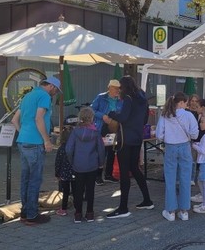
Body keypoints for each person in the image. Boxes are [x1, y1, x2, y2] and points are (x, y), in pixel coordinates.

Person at [11, 76, 60, 225]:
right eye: (56, 90)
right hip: (35, 142)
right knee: (35, 180)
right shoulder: (44, 96)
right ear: (51, 86)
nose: (56, 93)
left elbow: (14, 120)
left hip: (23, 141)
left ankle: (25, 212)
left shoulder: (28, 95)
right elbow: (39, 118)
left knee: (25, 178)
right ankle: (32, 215)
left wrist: (23, 133)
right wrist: (46, 140)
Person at [105, 76, 154, 219]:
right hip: (137, 138)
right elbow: (145, 119)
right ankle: (147, 200)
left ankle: (123, 207)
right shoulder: (142, 97)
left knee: (124, 172)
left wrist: (112, 114)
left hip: (125, 139)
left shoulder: (128, 98)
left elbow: (124, 117)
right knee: (134, 168)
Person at [156, 92, 199, 221]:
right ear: (181, 103)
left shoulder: (165, 115)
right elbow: (195, 135)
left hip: (170, 147)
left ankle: (170, 211)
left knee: (170, 179)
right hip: (185, 147)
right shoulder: (189, 115)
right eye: (186, 103)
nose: (187, 105)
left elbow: (159, 135)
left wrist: (168, 137)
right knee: (185, 179)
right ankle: (184, 211)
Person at [66, 107, 105, 223]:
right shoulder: (96, 132)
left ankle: (78, 214)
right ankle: (90, 213)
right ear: (92, 118)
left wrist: (71, 161)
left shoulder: (75, 132)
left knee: (78, 190)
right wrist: (101, 163)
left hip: (78, 164)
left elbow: (68, 149)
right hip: (92, 164)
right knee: (90, 190)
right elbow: (101, 149)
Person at [90, 79, 123, 185]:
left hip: (114, 128)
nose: (117, 90)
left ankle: (108, 175)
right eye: (115, 88)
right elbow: (92, 110)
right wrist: (102, 116)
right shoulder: (101, 97)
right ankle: (97, 176)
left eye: (118, 88)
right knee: (101, 151)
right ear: (109, 88)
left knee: (112, 150)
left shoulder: (120, 100)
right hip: (102, 127)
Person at [54, 126, 74, 217]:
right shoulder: (74, 148)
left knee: (65, 192)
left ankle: (64, 209)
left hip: (64, 174)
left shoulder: (61, 149)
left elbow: (57, 163)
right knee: (76, 190)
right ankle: (78, 209)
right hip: (74, 172)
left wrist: (57, 174)